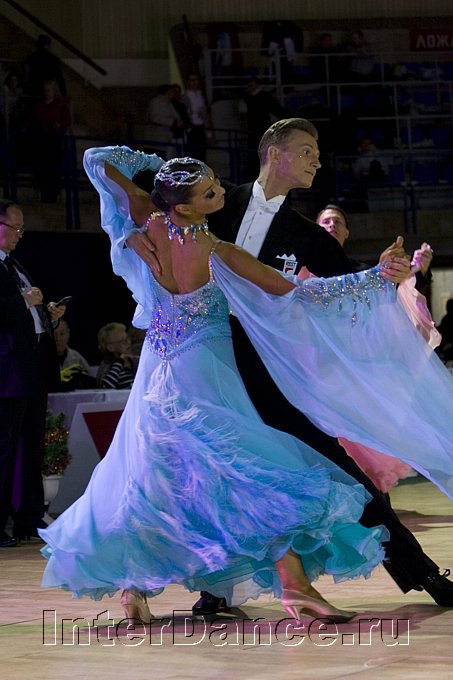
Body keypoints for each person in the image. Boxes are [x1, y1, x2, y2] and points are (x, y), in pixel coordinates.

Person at [40, 145, 420, 625]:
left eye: (215, 183)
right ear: (184, 207)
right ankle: (294, 585)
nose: (221, 192)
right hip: (205, 373)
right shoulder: (219, 251)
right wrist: (373, 277)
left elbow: (97, 159)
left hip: (157, 372)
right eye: (209, 192)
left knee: (152, 475)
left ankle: (133, 589)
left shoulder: (146, 224)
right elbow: (299, 290)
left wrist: (155, 186)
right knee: (248, 471)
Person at [126, 118, 453, 614]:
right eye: (306, 151)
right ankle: (212, 588)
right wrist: (134, 225)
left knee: (339, 467)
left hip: (265, 370)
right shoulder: (212, 197)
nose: (316, 161)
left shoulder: (306, 234)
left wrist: (385, 274)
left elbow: (341, 286)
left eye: (316, 153)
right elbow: (127, 184)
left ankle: (423, 573)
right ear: (274, 153)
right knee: (200, 475)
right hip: (200, 367)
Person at [313, 204, 441, 493]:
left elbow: (392, 299)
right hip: (317, 373)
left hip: (355, 378)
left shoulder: (360, 271)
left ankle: (379, 513)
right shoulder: (302, 269)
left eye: (337, 222)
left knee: (366, 456)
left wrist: (417, 272)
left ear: (347, 231)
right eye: (325, 222)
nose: (331, 226)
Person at [0, 200, 65, 547]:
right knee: (5, 447)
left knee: (31, 446)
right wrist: (24, 302)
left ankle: (28, 516)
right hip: (8, 370)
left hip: (32, 366)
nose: (20, 234)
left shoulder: (14, 264)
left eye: (22, 228)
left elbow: (24, 311)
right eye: (15, 228)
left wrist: (46, 314)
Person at [239, 77, 289, 179]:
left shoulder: (265, 96)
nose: (251, 86)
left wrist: (288, 117)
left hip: (263, 129)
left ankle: (263, 174)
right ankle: (255, 175)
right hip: (252, 130)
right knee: (254, 153)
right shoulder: (247, 97)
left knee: (263, 152)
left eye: (252, 84)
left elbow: (277, 109)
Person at [54, 319, 95, 390]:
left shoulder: (76, 358)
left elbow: (90, 381)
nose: (58, 339)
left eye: (62, 334)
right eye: (54, 334)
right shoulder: (42, 359)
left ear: (68, 334)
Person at [96, 322, 138, 389]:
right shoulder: (107, 366)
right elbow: (107, 387)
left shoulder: (136, 360)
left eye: (127, 338)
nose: (128, 342)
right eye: (123, 341)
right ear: (110, 347)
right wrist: (120, 361)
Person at [182, 73, 213, 162]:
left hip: (201, 127)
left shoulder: (201, 96)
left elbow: (206, 115)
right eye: (192, 80)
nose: (194, 82)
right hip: (191, 128)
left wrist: (209, 133)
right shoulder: (185, 97)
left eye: (196, 80)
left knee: (201, 153)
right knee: (192, 153)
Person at [26, 34, 67, 98]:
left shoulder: (31, 58)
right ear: (47, 45)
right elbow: (59, 78)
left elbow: (28, 74)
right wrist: (64, 93)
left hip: (33, 90)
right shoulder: (53, 59)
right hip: (48, 90)